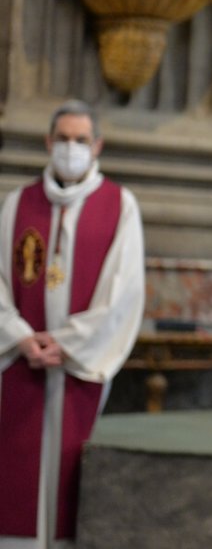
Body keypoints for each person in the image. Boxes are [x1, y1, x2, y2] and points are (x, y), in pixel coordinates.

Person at [0, 99, 145, 549]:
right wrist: (21, 337)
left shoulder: (119, 205)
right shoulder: (17, 203)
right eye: (62, 138)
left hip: (78, 367)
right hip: (20, 364)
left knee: (71, 480)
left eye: (80, 140)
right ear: (48, 142)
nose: (70, 147)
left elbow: (124, 292)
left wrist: (67, 343)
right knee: (14, 476)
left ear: (97, 145)